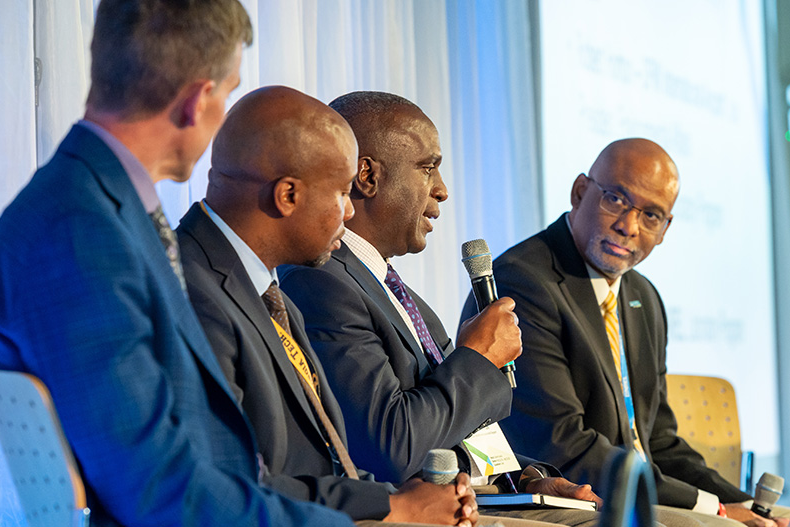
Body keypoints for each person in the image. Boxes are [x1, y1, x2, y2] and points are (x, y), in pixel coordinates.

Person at [0, 2, 353, 526]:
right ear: (198, 100)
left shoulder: (102, 208)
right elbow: (157, 492)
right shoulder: (79, 231)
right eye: (230, 92)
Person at [176, 85, 515, 527]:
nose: (350, 212)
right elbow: (222, 484)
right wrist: (394, 508)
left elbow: (328, 456)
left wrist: (520, 478)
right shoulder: (200, 287)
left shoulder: (267, 290)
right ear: (288, 196)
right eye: (340, 193)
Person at [278, 91, 615, 527]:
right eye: (427, 167)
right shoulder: (321, 283)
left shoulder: (399, 295)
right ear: (366, 175)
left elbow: (456, 426)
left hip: (478, 498)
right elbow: (391, 446)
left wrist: (526, 480)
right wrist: (477, 358)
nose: (442, 189)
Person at [458, 138, 788, 527]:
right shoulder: (525, 282)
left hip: (632, 489)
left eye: (651, 215)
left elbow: (659, 442)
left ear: (665, 229)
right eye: (615, 199)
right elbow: (561, 444)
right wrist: (713, 509)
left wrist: (742, 503)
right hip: (561, 492)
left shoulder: (642, 296)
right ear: (580, 192)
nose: (628, 226)